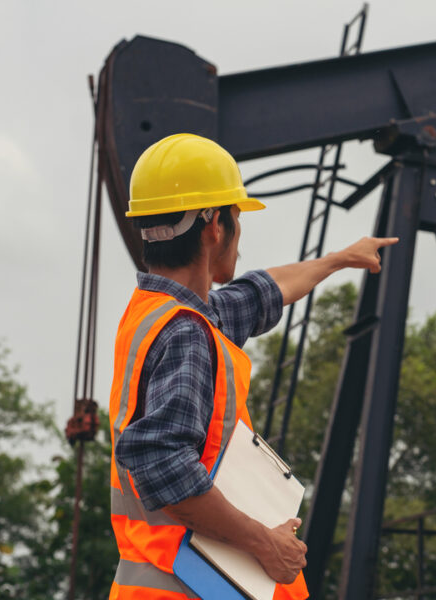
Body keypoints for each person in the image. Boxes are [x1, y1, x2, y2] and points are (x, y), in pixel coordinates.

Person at [107, 133, 397, 599]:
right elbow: (162, 462)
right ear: (214, 228)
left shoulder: (161, 313)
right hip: (190, 588)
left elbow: (261, 292)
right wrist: (267, 545)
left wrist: (339, 260)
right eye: (237, 217)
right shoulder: (187, 334)